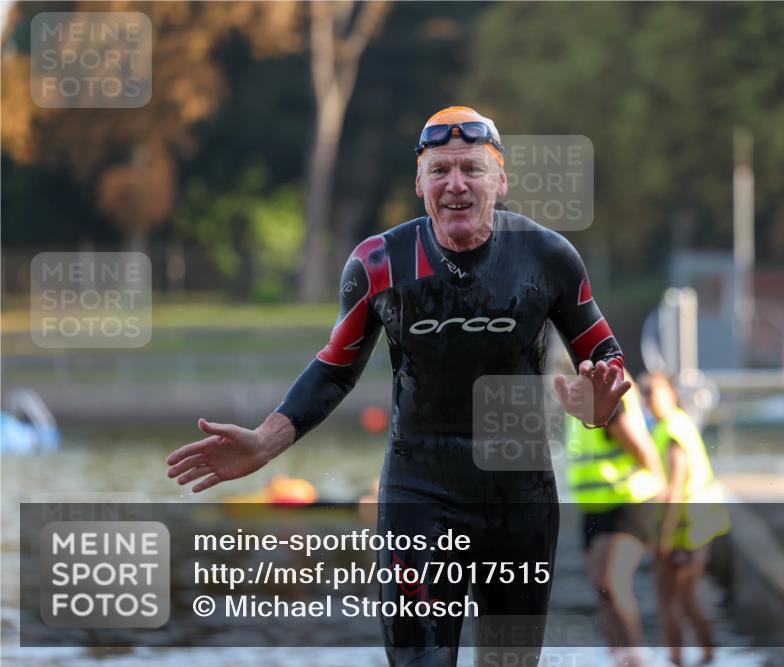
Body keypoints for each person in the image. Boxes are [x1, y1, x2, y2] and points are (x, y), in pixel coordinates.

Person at [165, 106, 631, 666]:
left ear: (500, 180)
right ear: (419, 184)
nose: (455, 184)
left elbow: (605, 360)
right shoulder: (379, 263)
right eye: (440, 171)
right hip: (420, 493)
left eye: (471, 169)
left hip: (519, 498)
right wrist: (266, 441)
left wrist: (598, 406)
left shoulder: (548, 257)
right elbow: (336, 368)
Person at [564, 372, 666, 667]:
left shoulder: (608, 387)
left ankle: (636, 658)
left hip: (629, 500)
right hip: (596, 506)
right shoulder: (579, 391)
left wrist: (660, 485)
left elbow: (638, 445)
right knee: (601, 585)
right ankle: (619, 658)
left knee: (613, 580)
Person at [640, 372, 729, 667]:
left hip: (685, 528)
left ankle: (679, 658)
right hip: (696, 525)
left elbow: (676, 485)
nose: (649, 396)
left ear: (672, 393)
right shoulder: (674, 424)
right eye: (645, 391)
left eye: (655, 390)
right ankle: (707, 654)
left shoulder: (672, 429)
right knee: (686, 599)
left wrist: (662, 535)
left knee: (671, 599)